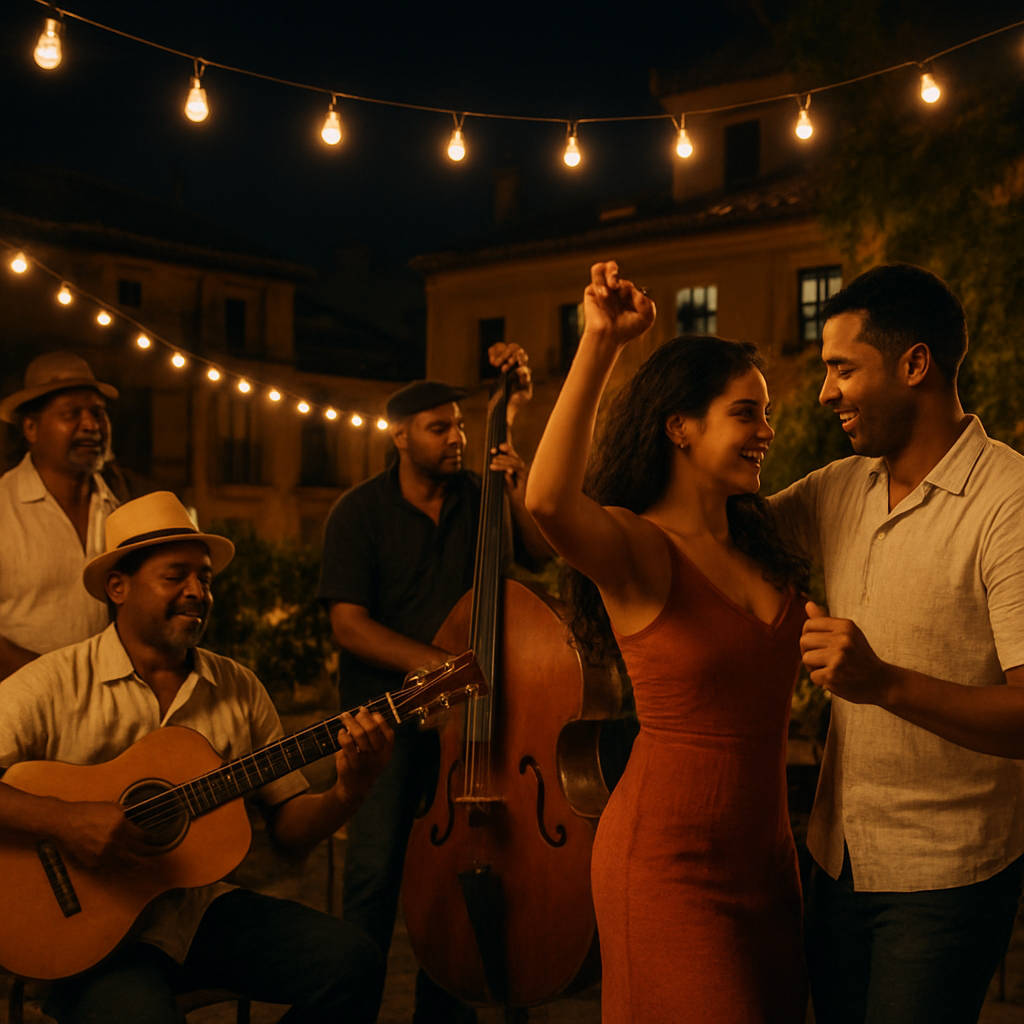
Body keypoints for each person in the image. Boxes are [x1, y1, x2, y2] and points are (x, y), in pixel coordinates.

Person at [524, 261, 810, 1023]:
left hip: (769, 862)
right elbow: (548, 498)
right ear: (680, 426)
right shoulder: (640, 550)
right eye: (746, 413)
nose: (767, 432)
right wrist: (600, 343)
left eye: (766, 413)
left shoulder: (767, 544)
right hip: (668, 864)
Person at [0, 490, 395, 1024]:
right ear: (118, 587)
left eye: (205, 578)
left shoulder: (238, 688)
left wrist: (351, 790)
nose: (197, 592)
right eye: (175, 576)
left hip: (200, 914)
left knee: (354, 962)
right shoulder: (54, 683)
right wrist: (66, 820)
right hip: (86, 938)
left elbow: (289, 831)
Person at [768, 263, 1024, 1024]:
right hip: (833, 859)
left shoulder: (1009, 501)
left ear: (915, 364)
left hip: (946, 878)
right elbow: (714, 536)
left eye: (842, 368)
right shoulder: (835, 487)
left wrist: (885, 684)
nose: (824, 393)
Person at [316, 343, 552, 1022]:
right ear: (399, 436)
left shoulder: (483, 497)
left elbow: (539, 551)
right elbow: (349, 625)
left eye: (460, 426)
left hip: (470, 730)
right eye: (439, 428)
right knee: (373, 879)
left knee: (458, 881)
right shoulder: (357, 513)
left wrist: (516, 478)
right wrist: (439, 665)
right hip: (384, 730)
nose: (456, 439)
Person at [0, 350, 120, 680]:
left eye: (99, 413)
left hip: (108, 712)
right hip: (15, 714)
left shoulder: (119, 509)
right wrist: (54, 684)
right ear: (31, 428)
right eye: (71, 414)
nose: (91, 425)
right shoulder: (3, 508)